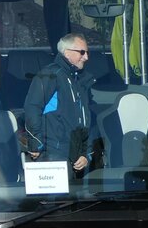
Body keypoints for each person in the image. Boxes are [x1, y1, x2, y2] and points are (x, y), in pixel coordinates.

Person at [24, 32, 98, 177]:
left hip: (76, 159)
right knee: (56, 200)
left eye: (87, 52)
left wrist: (86, 153)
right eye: (82, 52)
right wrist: (36, 143)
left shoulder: (81, 82)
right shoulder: (50, 75)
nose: (86, 57)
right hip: (52, 157)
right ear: (67, 53)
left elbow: (87, 121)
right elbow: (32, 107)